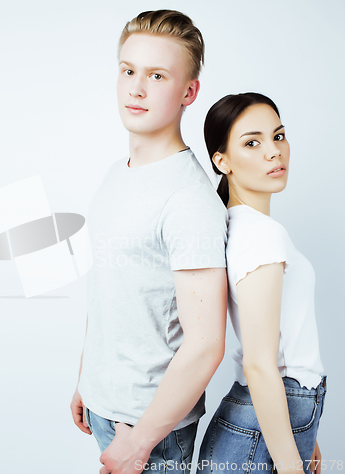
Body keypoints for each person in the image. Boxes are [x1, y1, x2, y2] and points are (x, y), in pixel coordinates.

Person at [69, 10, 229, 474]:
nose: (136, 88)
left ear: (188, 92)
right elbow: (113, 289)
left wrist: (140, 442)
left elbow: (205, 344)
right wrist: (89, 379)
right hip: (107, 407)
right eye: (128, 71)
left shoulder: (188, 199)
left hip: (150, 428)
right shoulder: (117, 173)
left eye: (156, 75)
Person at [197, 92, 326, 474]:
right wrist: (290, 465)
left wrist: (304, 429)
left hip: (265, 419)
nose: (274, 151)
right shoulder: (261, 235)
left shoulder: (240, 226)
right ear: (222, 161)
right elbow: (258, 363)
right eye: (252, 142)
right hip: (257, 427)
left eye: (279, 136)